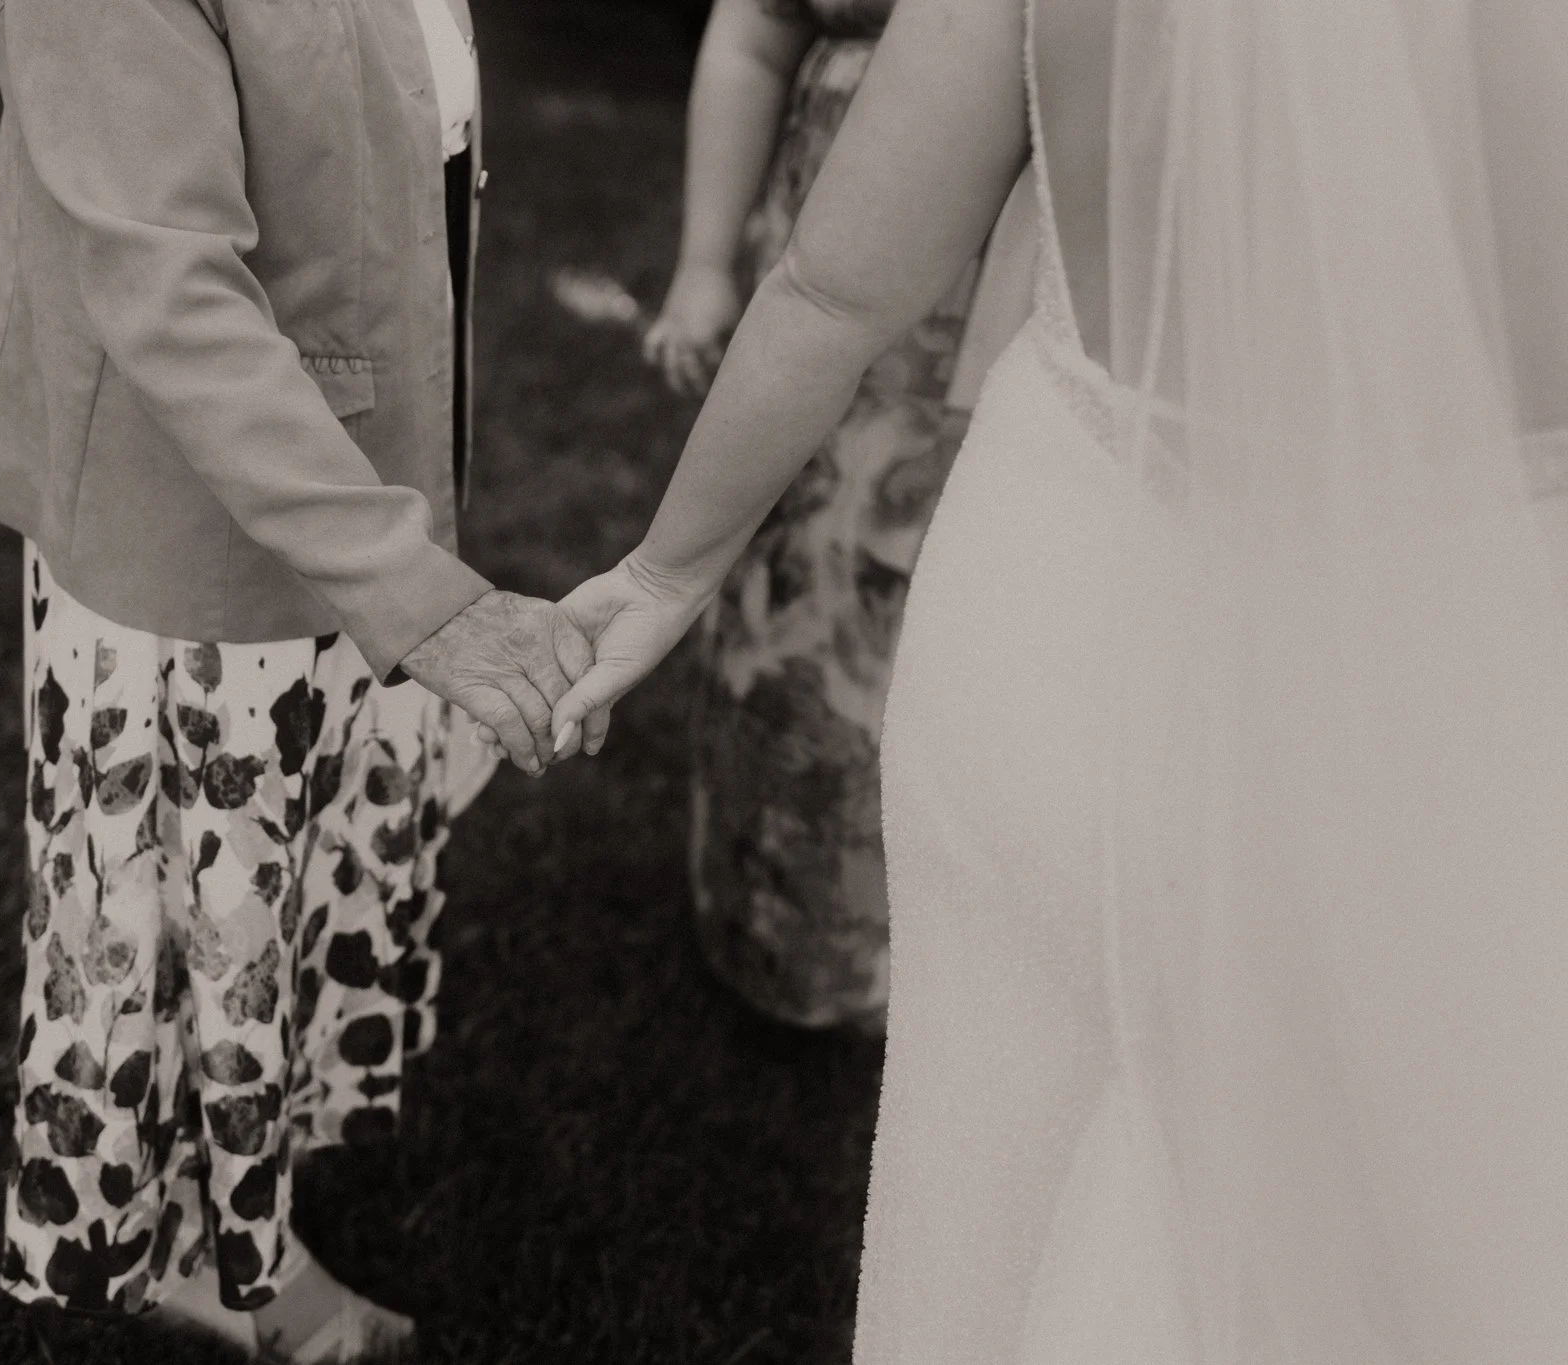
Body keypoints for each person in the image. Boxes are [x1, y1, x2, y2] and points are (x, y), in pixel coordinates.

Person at [545, 0, 1568, 1357]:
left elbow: (836, 287)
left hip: (1066, 632)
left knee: (1010, 1179)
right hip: (1454, 684)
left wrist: (670, 570)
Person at [0, 0, 598, 1357]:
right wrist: (420, 593)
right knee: (189, 929)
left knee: (276, 901)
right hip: (190, 527)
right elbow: (169, 285)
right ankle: (199, 1253)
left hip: (359, 491)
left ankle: (239, 1201)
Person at [640, 0, 1035, 1030]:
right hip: (815, 292)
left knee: (941, 633)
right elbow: (749, 36)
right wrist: (701, 264)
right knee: (787, 599)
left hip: (1003, 315)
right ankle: (775, 921)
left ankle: (929, 968)